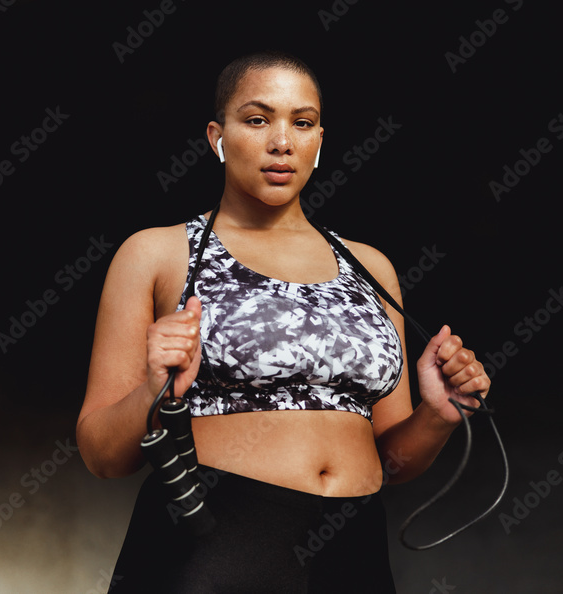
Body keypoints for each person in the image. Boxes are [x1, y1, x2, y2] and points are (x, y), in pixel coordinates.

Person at [76, 50, 492, 593]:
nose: (282, 142)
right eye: (256, 119)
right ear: (216, 136)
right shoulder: (158, 254)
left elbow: (393, 460)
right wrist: (153, 390)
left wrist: (437, 415)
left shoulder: (371, 268)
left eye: (302, 123)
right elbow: (103, 456)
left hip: (353, 549)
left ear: (320, 139)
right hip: (218, 542)